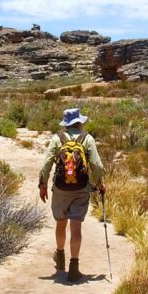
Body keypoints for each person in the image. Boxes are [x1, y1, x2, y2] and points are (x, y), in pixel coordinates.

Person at [39, 108, 105, 282]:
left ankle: (60, 257)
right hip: (81, 189)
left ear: (65, 123)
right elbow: (96, 165)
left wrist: (42, 184)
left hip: (60, 189)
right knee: (76, 228)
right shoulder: (87, 139)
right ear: (80, 122)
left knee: (61, 223)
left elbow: (46, 162)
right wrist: (99, 183)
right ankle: (74, 268)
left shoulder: (57, 139)